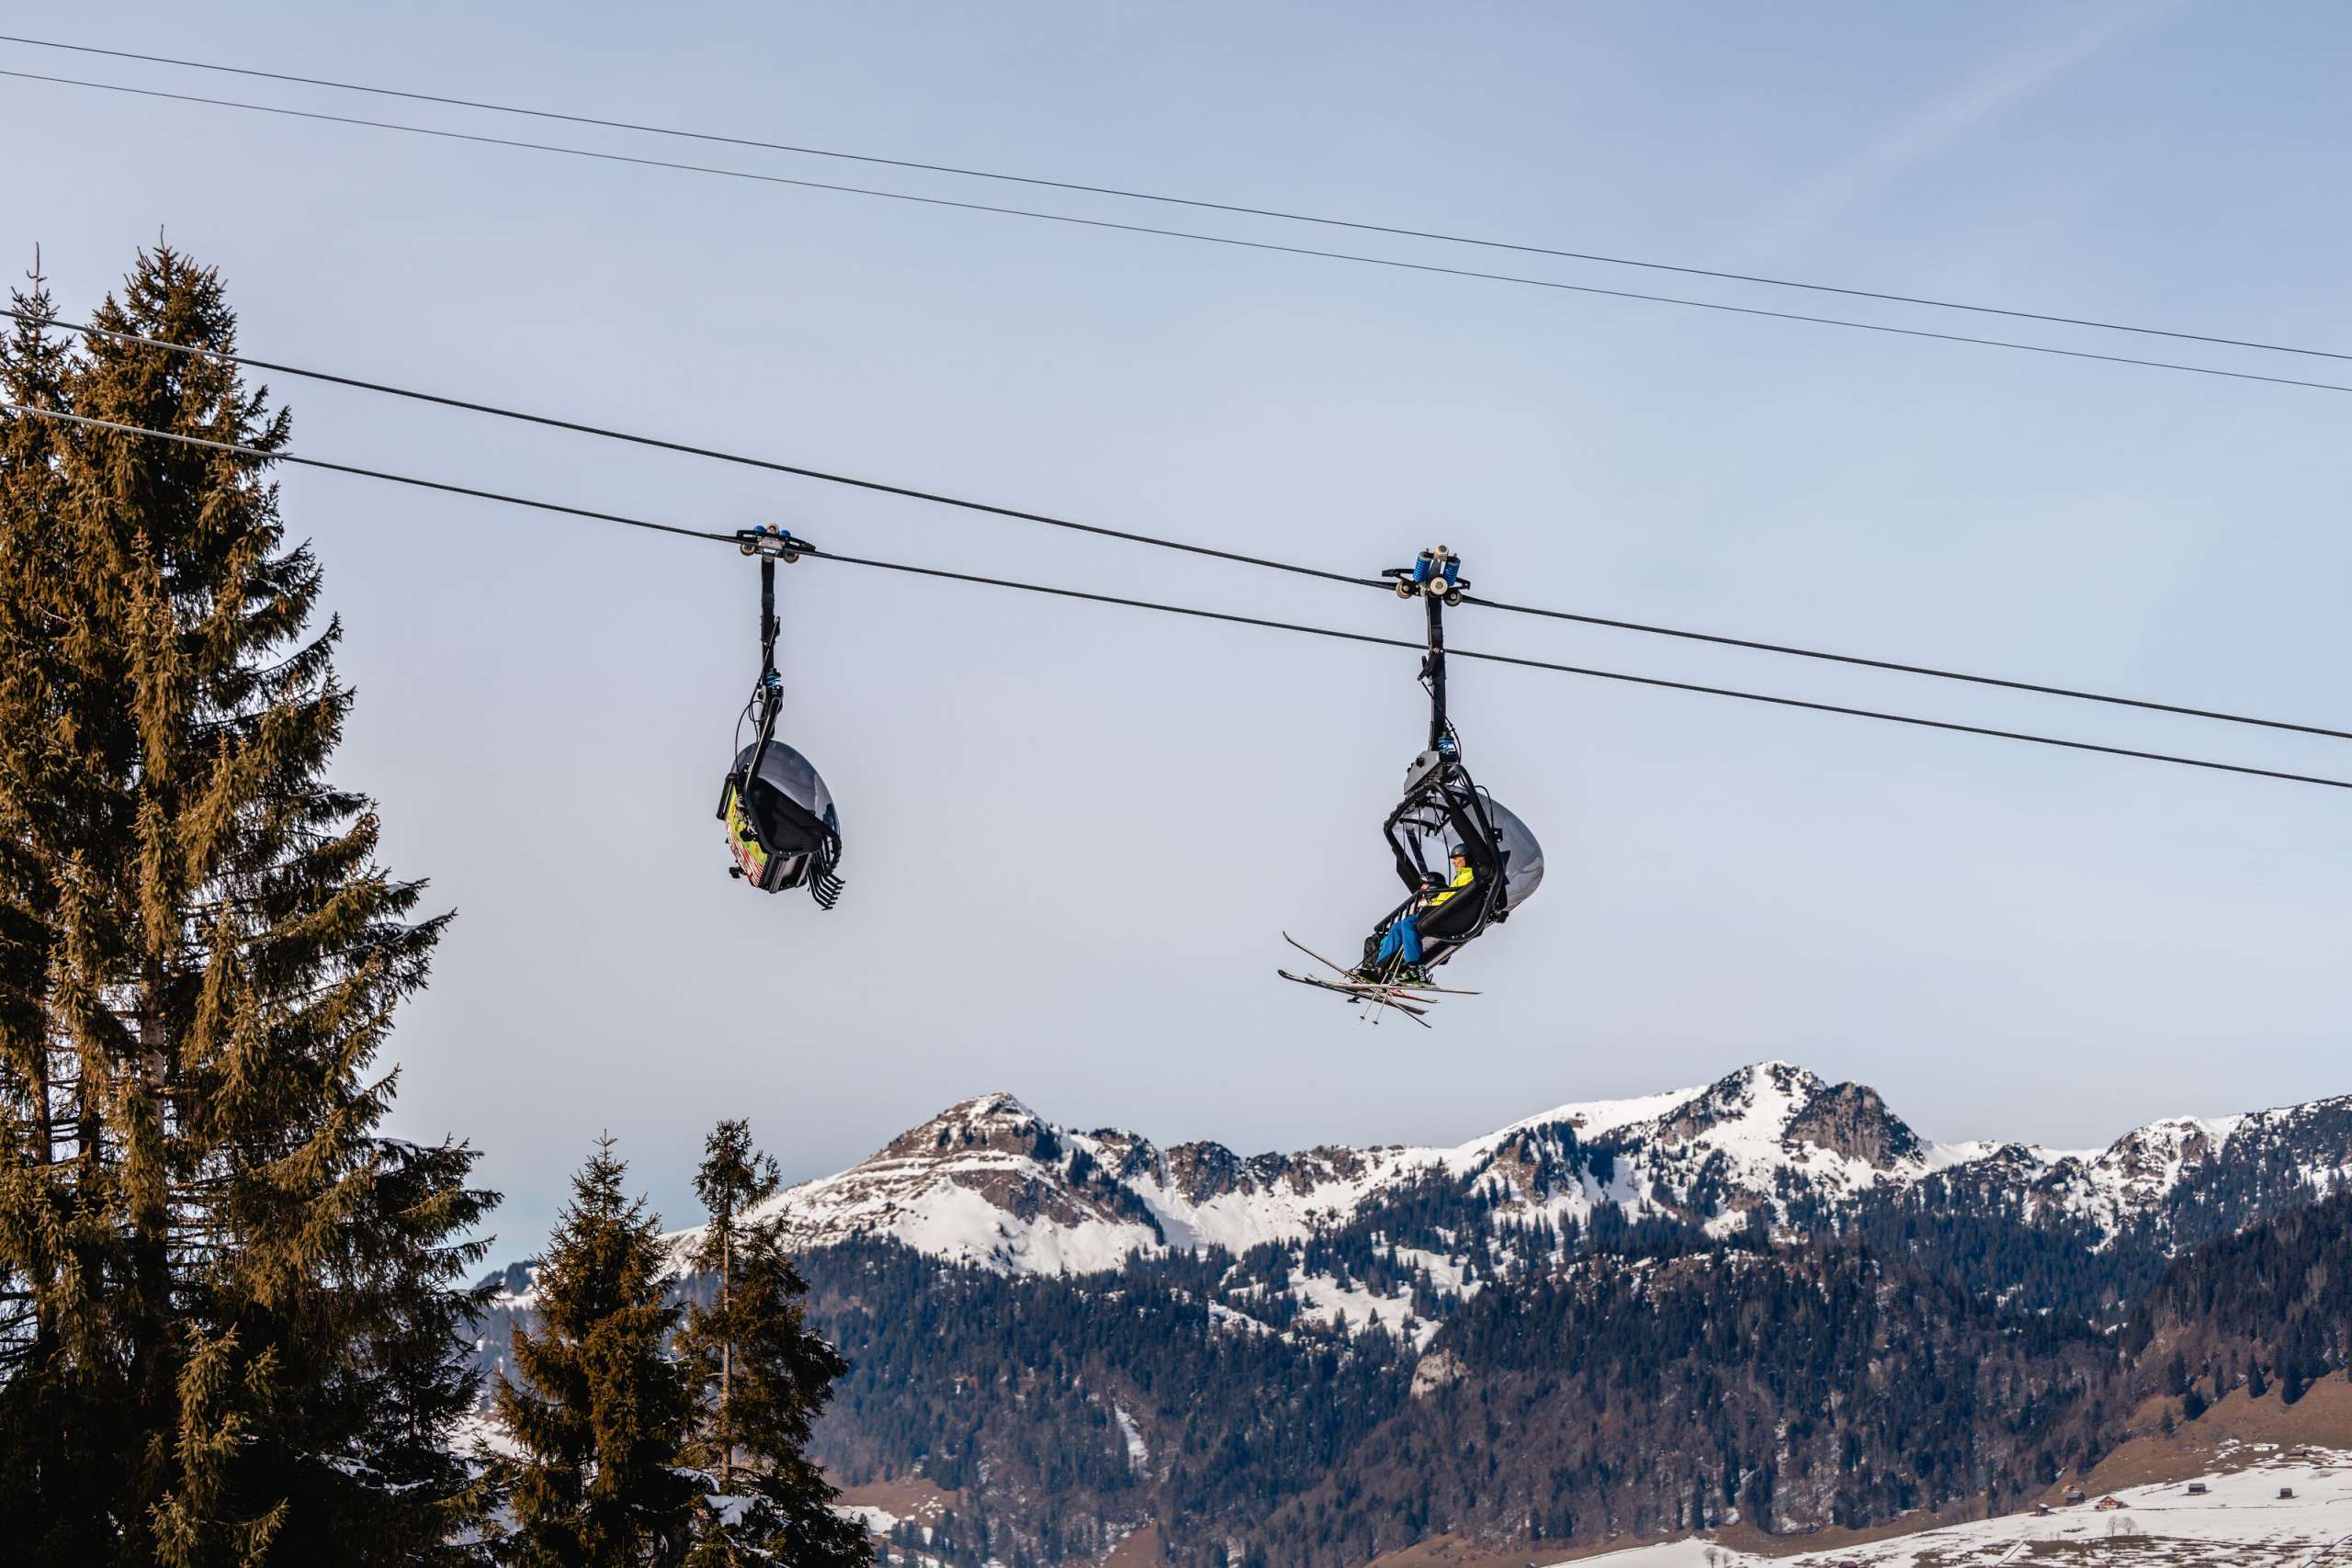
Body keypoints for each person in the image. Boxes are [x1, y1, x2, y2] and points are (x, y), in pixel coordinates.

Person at [1359, 845, 1475, 984]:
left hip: (1443, 912)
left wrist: (1430, 903)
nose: (1453, 862)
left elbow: (1455, 897)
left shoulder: (1471, 875)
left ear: (1466, 857)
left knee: (1408, 923)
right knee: (1397, 927)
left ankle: (1414, 967)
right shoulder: (1460, 876)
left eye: (1456, 858)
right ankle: (1378, 968)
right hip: (1439, 909)